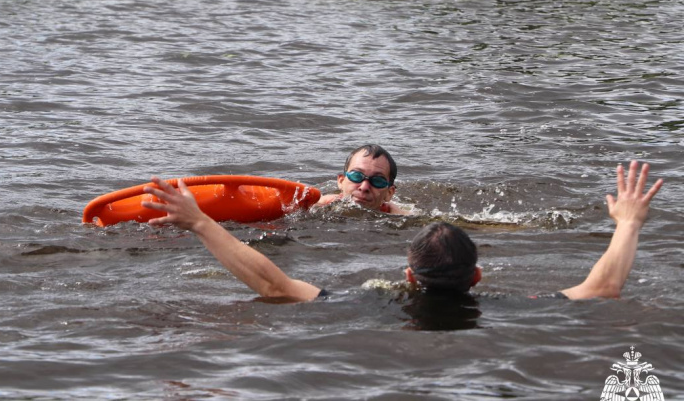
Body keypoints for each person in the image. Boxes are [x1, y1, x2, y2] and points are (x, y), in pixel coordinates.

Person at [141, 161, 663, 302]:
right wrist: (629, 222)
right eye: (354, 176)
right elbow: (603, 288)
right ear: (477, 277)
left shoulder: (369, 301)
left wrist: (200, 221)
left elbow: (274, 285)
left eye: (376, 180)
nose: (363, 186)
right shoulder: (513, 303)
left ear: (407, 275)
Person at [315, 144, 411, 215]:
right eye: (356, 176)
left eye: (377, 181)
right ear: (341, 181)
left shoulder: (399, 216)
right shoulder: (326, 203)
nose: (364, 187)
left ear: (389, 193)